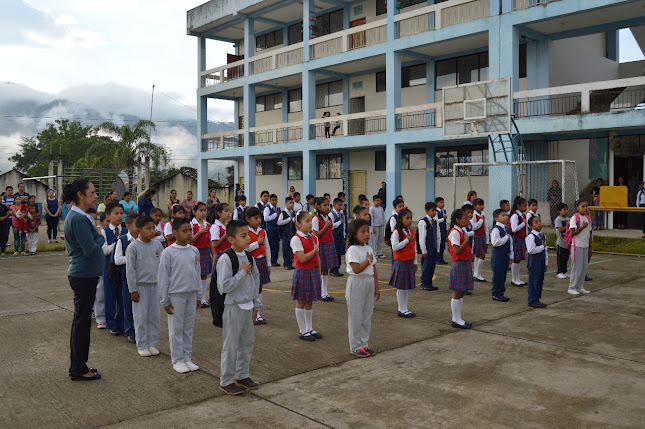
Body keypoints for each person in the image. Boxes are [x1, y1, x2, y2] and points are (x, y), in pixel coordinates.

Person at [63, 178, 105, 381]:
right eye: (92, 192)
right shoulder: (79, 218)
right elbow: (90, 248)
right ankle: (78, 367)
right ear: (81, 195)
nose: (95, 196)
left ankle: (79, 364)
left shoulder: (80, 216)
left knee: (80, 321)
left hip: (85, 274)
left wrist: (96, 235)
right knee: (81, 322)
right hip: (83, 274)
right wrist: (100, 237)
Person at [216, 220, 262, 394]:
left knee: (247, 343)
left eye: (248, 234)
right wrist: (242, 273)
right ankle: (226, 380)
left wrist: (256, 304)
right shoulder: (226, 258)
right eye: (243, 236)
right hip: (233, 307)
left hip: (247, 306)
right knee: (231, 344)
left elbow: (256, 280)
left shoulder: (249, 256)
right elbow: (224, 286)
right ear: (231, 239)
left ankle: (243, 374)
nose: (249, 238)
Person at [158, 218, 202, 373]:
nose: (189, 234)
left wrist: (199, 295)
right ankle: (177, 359)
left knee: (188, 328)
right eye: (185, 231)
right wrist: (165, 300)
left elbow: (198, 273)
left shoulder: (193, 250)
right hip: (176, 295)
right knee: (176, 329)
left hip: (191, 293)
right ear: (174, 233)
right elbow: (163, 277)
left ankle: (187, 358)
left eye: (190, 230)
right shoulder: (168, 252)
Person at [126, 216, 164, 357]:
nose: (152, 231)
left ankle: (151, 343)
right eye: (148, 228)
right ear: (139, 230)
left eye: (153, 228)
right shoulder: (133, 247)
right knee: (141, 317)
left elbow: (162, 266)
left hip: (155, 285)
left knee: (154, 316)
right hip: (140, 286)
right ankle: (142, 344)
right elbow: (130, 270)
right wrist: (133, 289)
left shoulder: (157, 246)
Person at [345, 218, 379, 358]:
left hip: (369, 282)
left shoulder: (369, 248)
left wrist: (377, 287)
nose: (366, 234)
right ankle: (355, 346)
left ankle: (364, 343)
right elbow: (357, 269)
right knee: (356, 316)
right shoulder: (352, 250)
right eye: (362, 232)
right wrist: (367, 261)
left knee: (366, 315)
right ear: (354, 234)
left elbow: (374, 269)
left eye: (368, 231)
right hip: (357, 282)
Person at [290, 211, 323, 342]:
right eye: (307, 221)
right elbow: (302, 258)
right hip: (303, 271)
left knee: (309, 301)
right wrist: (314, 250)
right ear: (298, 224)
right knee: (301, 301)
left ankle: (309, 328)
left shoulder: (314, 238)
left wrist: (319, 273)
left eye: (310, 221)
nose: (310, 224)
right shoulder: (296, 239)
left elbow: (318, 258)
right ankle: (302, 330)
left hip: (313, 271)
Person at [113, 213, 140, 343]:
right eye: (137, 224)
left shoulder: (143, 240)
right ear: (128, 226)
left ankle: (141, 329)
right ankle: (130, 331)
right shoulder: (123, 240)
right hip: (127, 277)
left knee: (142, 305)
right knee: (128, 304)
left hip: (142, 277)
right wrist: (131, 260)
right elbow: (117, 260)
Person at [101, 201, 126, 336]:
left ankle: (122, 322)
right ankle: (111, 323)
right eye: (116, 213)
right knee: (110, 296)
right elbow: (104, 250)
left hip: (124, 270)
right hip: (109, 270)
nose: (120, 216)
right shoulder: (104, 232)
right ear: (108, 216)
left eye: (121, 213)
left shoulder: (127, 231)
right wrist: (119, 244)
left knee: (123, 297)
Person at [448, 208, 474, 329]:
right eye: (465, 218)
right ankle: (455, 319)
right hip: (459, 263)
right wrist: (466, 241)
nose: (468, 220)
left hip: (465, 263)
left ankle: (458, 318)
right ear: (458, 220)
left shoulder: (461, 230)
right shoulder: (455, 232)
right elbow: (456, 250)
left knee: (461, 291)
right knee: (457, 292)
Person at [389, 208, 417, 318]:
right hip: (401, 261)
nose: (410, 220)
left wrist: (415, 262)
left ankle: (405, 308)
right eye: (407, 218)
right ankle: (401, 308)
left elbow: (413, 248)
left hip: (409, 261)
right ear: (400, 219)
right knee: (401, 287)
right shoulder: (396, 232)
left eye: (410, 218)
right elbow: (395, 247)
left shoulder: (411, 232)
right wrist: (406, 241)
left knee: (406, 287)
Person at [245, 207, 271, 325]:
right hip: (251, 262)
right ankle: (251, 313)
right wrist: (257, 243)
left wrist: (269, 264)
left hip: (262, 261)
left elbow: (267, 248)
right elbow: (246, 248)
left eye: (259, 218)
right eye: (256, 218)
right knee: (251, 287)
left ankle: (258, 313)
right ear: (248, 219)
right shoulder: (246, 232)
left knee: (259, 287)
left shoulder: (263, 231)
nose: (259, 220)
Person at [312, 197, 336, 301]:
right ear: (318, 206)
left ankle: (325, 292)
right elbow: (316, 234)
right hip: (320, 246)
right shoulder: (316, 219)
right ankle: (320, 292)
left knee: (326, 269)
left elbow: (331, 233)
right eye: (325, 205)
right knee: (320, 269)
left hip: (329, 244)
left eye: (328, 205)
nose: (327, 207)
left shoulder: (329, 218)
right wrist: (325, 226)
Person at [190, 202, 213, 309]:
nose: (204, 213)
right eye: (201, 210)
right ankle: (195, 298)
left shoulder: (208, 224)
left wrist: (212, 254)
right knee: (196, 275)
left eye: (205, 210)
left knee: (204, 275)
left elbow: (210, 241)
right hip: (195, 251)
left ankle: (203, 298)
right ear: (194, 212)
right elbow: (190, 240)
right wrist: (199, 232)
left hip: (205, 251)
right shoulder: (191, 224)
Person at [568, 200, 593, 296]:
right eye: (583, 206)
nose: (586, 208)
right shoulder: (574, 218)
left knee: (584, 267)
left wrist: (591, 247)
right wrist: (582, 227)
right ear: (577, 208)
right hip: (577, 245)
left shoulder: (588, 218)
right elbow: (572, 233)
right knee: (576, 267)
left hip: (585, 246)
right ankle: (572, 287)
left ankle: (580, 286)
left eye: (586, 206)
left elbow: (590, 234)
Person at [526, 216, 548, 308]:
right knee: (534, 280)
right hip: (534, 261)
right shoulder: (531, 237)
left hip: (541, 260)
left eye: (539, 221)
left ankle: (537, 298)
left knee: (539, 280)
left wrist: (546, 262)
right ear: (531, 226)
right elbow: (531, 250)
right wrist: (541, 247)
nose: (539, 223)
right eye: (536, 222)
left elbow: (545, 250)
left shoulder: (542, 235)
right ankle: (532, 299)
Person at [418, 202, 440, 291]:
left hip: (434, 248)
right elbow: (422, 238)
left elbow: (438, 236)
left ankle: (429, 283)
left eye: (435, 211)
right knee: (426, 266)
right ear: (427, 211)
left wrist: (438, 248)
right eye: (432, 211)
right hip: (427, 248)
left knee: (432, 266)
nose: (434, 213)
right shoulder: (423, 222)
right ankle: (424, 283)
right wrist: (424, 251)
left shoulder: (435, 222)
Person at [490, 209, 511, 302]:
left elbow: (511, 243)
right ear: (496, 218)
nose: (506, 217)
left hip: (505, 255)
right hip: (498, 255)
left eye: (506, 215)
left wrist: (511, 254)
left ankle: (501, 292)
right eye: (503, 215)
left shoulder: (507, 228)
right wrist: (506, 238)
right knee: (498, 274)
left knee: (503, 274)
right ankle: (496, 293)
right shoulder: (496, 229)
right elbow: (495, 242)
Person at [94, 212, 110, 329]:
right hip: (101, 266)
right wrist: (116, 244)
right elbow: (103, 250)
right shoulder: (101, 233)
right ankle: (100, 317)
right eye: (107, 221)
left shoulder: (121, 232)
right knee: (100, 293)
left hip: (113, 268)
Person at [510, 197, 528, 287]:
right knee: (515, 259)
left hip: (522, 238)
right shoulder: (515, 216)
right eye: (524, 206)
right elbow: (514, 229)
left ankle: (517, 278)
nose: (526, 208)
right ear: (518, 206)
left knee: (518, 259)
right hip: (516, 238)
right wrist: (523, 223)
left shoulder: (522, 216)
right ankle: (514, 279)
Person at [471, 198, 489, 282]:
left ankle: (476, 274)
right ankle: (477, 274)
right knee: (481, 255)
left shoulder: (483, 214)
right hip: (476, 236)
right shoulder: (474, 215)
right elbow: (473, 227)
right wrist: (481, 221)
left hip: (482, 236)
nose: (482, 206)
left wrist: (487, 239)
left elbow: (486, 227)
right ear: (475, 206)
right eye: (480, 205)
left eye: (483, 205)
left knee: (478, 255)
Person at [263, 194, 282, 267]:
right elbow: (266, 218)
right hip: (270, 230)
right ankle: (270, 261)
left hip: (276, 230)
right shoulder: (267, 208)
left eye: (275, 200)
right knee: (270, 246)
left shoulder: (278, 208)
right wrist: (275, 215)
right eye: (273, 200)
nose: (274, 201)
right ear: (270, 201)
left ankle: (275, 260)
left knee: (276, 246)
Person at [211, 203, 232, 267]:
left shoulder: (227, 224)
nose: (228, 213)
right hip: (220, 254)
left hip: (229, 253)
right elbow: (214, 244)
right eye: (226, 211)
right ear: (219, 213)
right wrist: (224, 236)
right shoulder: (215, 226)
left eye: (229, 211)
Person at [329, 198, 346, 278]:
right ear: (334, 205)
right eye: (338, 205)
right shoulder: (331, 214)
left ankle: (337, 268)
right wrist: (339, 222)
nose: (340, 207)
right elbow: (331, 226)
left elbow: (344, 226)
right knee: (334, 253)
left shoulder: (341, 214)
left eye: (341, 205)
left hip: (340, 236)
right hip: (334, 236)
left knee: (339, 253)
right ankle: (332, 269)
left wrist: (344, 236)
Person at [279, 197, 295, 270]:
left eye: (292, 203)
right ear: (286, 204)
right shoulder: (283, 213)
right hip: (286, 233)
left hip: (292, 233)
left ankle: (290, 262)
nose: (291, 205)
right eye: (290, 203)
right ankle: (286, 263)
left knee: (291, 248)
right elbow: (279, 222)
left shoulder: (293, 212)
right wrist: (288, 219)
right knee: (286, 248)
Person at [555, 203, 571, 279]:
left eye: (567, 209)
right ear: (559, 211)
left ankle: (564, 271)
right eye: (564, 210)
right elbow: (560, 229)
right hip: (561, 242)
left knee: (566, 257)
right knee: (560, 258)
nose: (566, 211)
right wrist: (568, 227)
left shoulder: (569, 219)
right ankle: (559, 271)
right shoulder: (558, 219)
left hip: (567, 243)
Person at [0, 186, 14, 256]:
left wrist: (3, 217)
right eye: (9, 190)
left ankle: (3, 250)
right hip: (5, 220)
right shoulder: (3, 198)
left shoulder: (14, 198)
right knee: (4, 234)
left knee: (5, 235)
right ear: (6, 191)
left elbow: (9, 211)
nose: (10, 191)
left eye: (11, 190)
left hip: (10, 219)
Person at [435, 197, 448, 265]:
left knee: (443, 245)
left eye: (443, 202)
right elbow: (436, 221)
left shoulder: (444, 211)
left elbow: (446, 221)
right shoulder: (435, 212)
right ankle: (437, 259)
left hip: (443, 230)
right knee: (439, 245)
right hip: (438, 230)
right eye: (441, 202)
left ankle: (441, 258)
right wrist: (443, 219)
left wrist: (446, 229)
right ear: (437, 203)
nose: (442, 204)